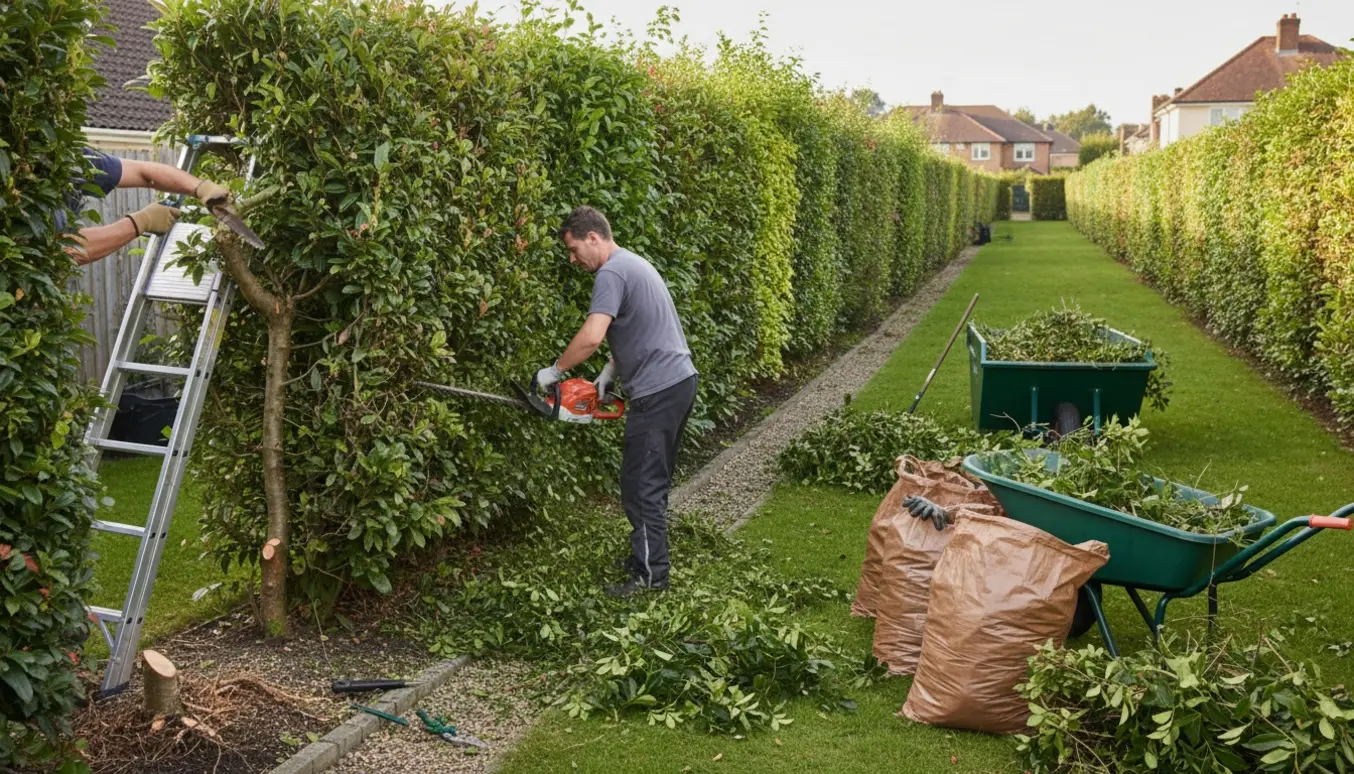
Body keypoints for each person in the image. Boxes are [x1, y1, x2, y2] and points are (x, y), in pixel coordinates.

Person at [541, 206, 699, 597]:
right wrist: (611, 373)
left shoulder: (611, 272)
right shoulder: (633, 263)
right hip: (678, 383)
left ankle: (649, 578)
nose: (573, 259)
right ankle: (645, 559)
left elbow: (593, 335)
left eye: (575, 249)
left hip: (659, 390)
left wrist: (555, 371)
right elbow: (642, 326)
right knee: (646, 483)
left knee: (641, 487)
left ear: (593, 237)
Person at [62, 148, 232, 265]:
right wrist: (141, 222)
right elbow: (66, 251)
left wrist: (201, 187)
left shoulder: (65, 156)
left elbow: (142, 172)